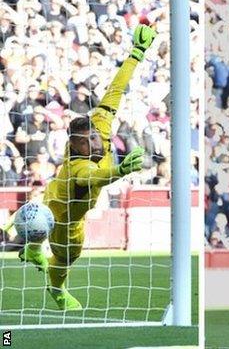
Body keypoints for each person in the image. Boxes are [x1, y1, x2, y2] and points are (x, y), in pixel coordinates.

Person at [17, 25, 157, 310]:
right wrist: (119, 171)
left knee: (38, 227)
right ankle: (56, 290)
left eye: (94, 136)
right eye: (86, 142)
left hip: (52, 196)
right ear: (74, 147)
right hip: (65, 219)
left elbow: (116, 89)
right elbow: (97, 176)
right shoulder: (79, 168)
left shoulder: (100, 127)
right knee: (67, 257)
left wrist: (137, 53)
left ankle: (32, 249)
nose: (94, 143)